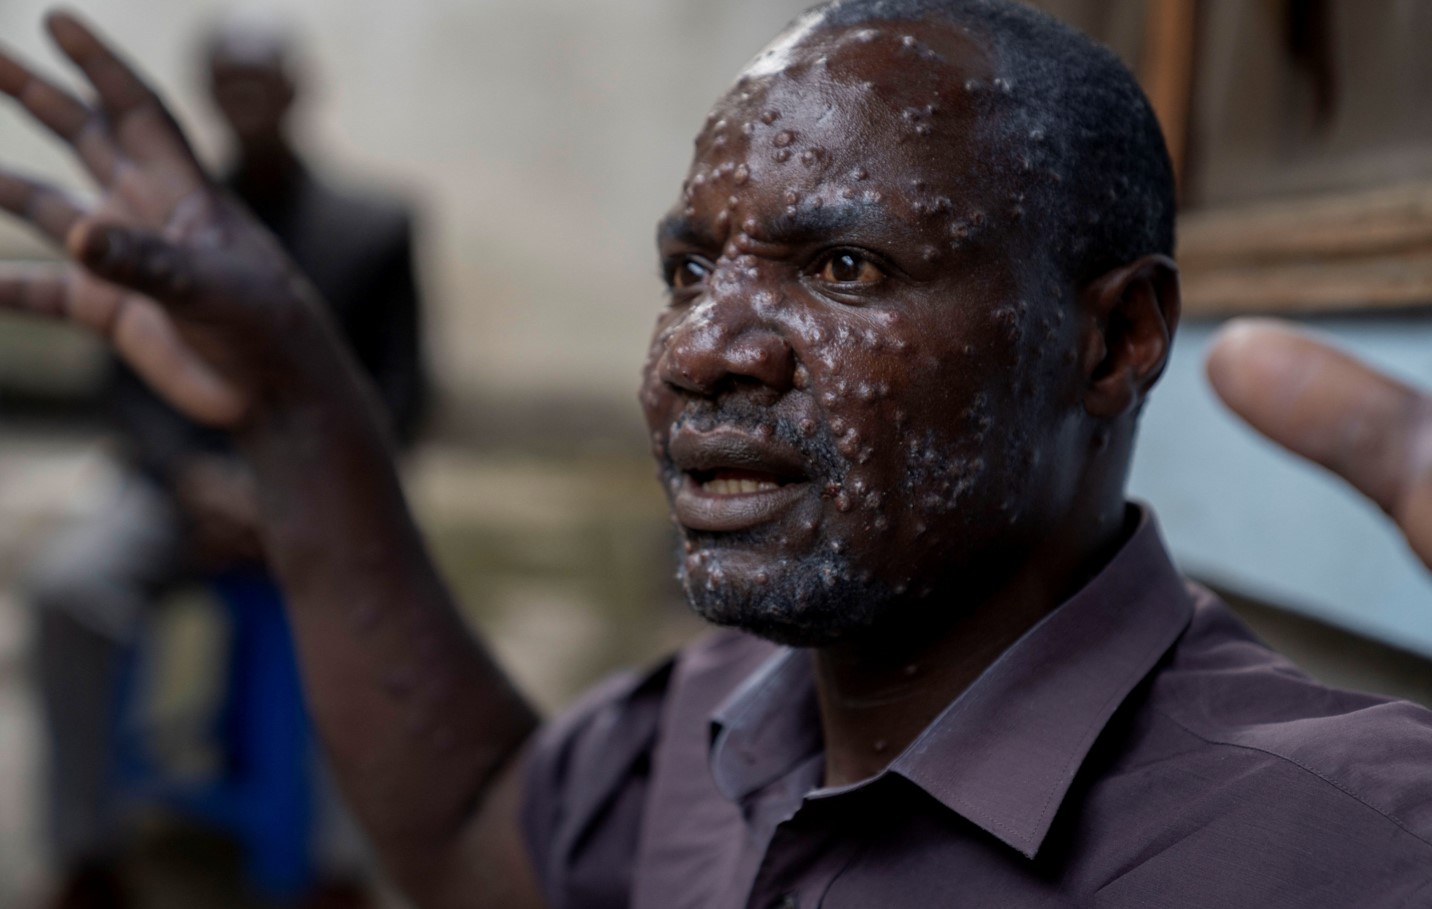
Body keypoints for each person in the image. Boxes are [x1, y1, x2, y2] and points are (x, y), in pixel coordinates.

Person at [0, 2, 1428, 907]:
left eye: (850, 267)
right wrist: (297, 406)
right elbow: (481, 834)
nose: (699, 350)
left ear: (1110, 341)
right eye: (691, 269)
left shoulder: (1338, 838)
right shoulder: (730, 715)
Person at [16, 15, 426, 909]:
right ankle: (84, 848)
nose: (245, 99)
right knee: (68, 587)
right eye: (227, 80)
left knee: (369, 618)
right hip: (180, 490)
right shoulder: (162, 226)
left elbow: (401, 395)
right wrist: (192, 480)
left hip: (317, 498)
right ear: (208, 92)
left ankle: (335, 861)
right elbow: (126, 388)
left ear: (295, 88)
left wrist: (306, 484)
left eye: (260, 79)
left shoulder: (371, 228)